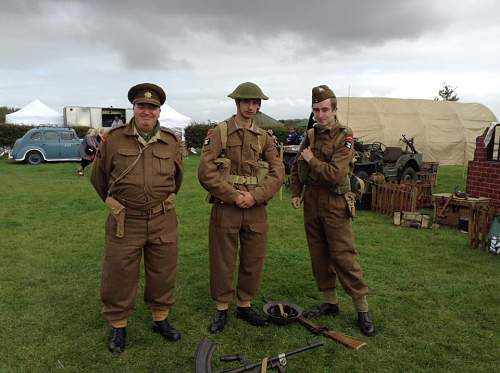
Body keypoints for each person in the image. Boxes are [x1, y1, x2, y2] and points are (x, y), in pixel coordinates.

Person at [90, 83, 184, 353]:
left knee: (163, 271)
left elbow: (177, 179)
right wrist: (119, 205)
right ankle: (119, 325)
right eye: (142, 106)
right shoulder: (114, 139)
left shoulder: (171, 141)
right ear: (134, 108)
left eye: (152, 107)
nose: (147, 111)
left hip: (162, 219)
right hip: (125, 221)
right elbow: (99, 178)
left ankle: (160, 319)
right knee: (118, 272)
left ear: (159, 111)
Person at [197, 82, 285, 334]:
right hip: (227, 206)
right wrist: (234, 196)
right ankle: (222, 307)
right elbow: (206, 171)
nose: (251, 106)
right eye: (247, 101)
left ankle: (244, 304)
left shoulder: (265, 137)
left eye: (256, 102)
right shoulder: (219, 133)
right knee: (223, 259)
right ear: (237, 103)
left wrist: (255, 196)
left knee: (253, 258)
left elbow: (278, 172)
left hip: (256, 208)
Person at [289, 84, 376, 337]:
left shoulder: (345, 135)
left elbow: (334, 173)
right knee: (319, 255)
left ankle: (362, 310)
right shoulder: (311, 134)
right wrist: (296, 192)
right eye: (316, 110)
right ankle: (330, 302)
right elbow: (296, 166)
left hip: (335, 203)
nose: (320, 114)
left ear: (334, 110)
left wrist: (311, 160)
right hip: (312, 202)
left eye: (325, 109)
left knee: (343, 256)